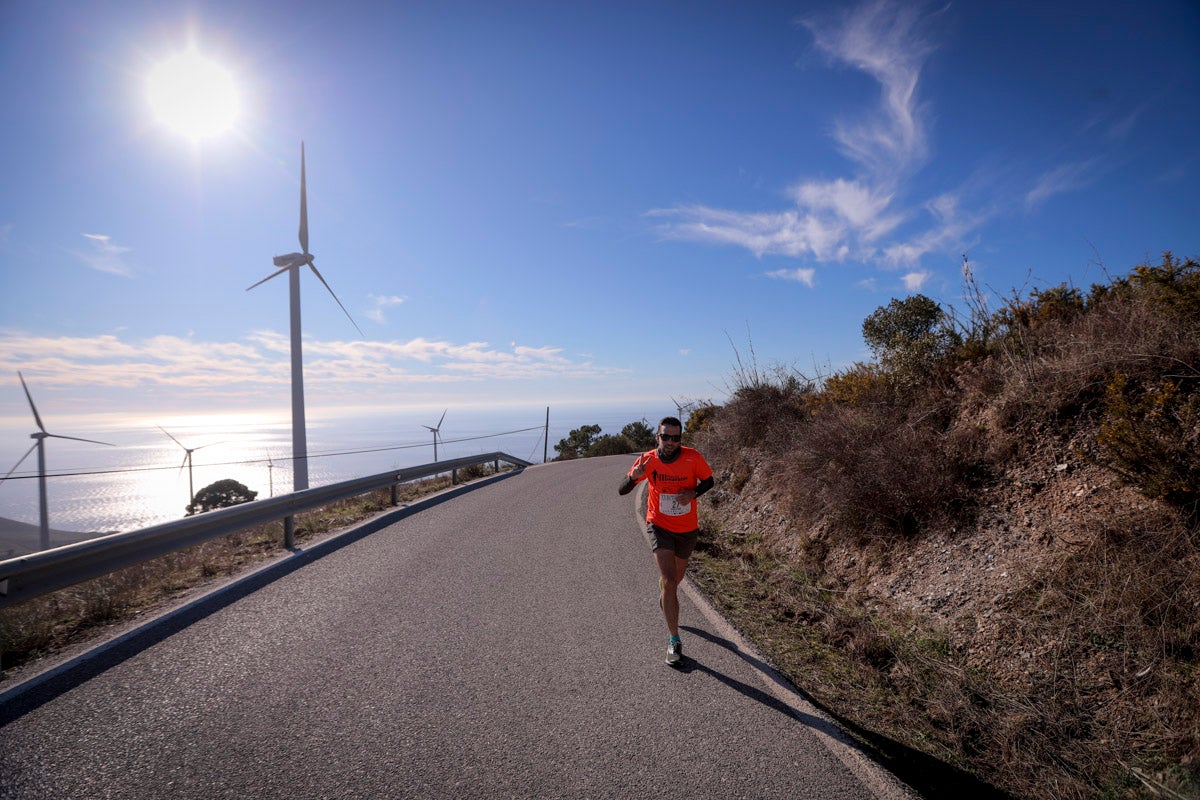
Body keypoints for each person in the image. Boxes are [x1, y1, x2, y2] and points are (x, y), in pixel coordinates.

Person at [618, 416, 714, 666]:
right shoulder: (648, 460)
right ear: (657, 437)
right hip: (658, 525)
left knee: (675, 581)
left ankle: (665, 595)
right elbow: (622, 489)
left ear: (680, 438)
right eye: (665, 436)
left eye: (675, 437)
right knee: (671, 581)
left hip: (687, 529)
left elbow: (709, 481)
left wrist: (694, 493)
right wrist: (633, 477)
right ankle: (674, 639)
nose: (670, 442)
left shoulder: (693, 457)